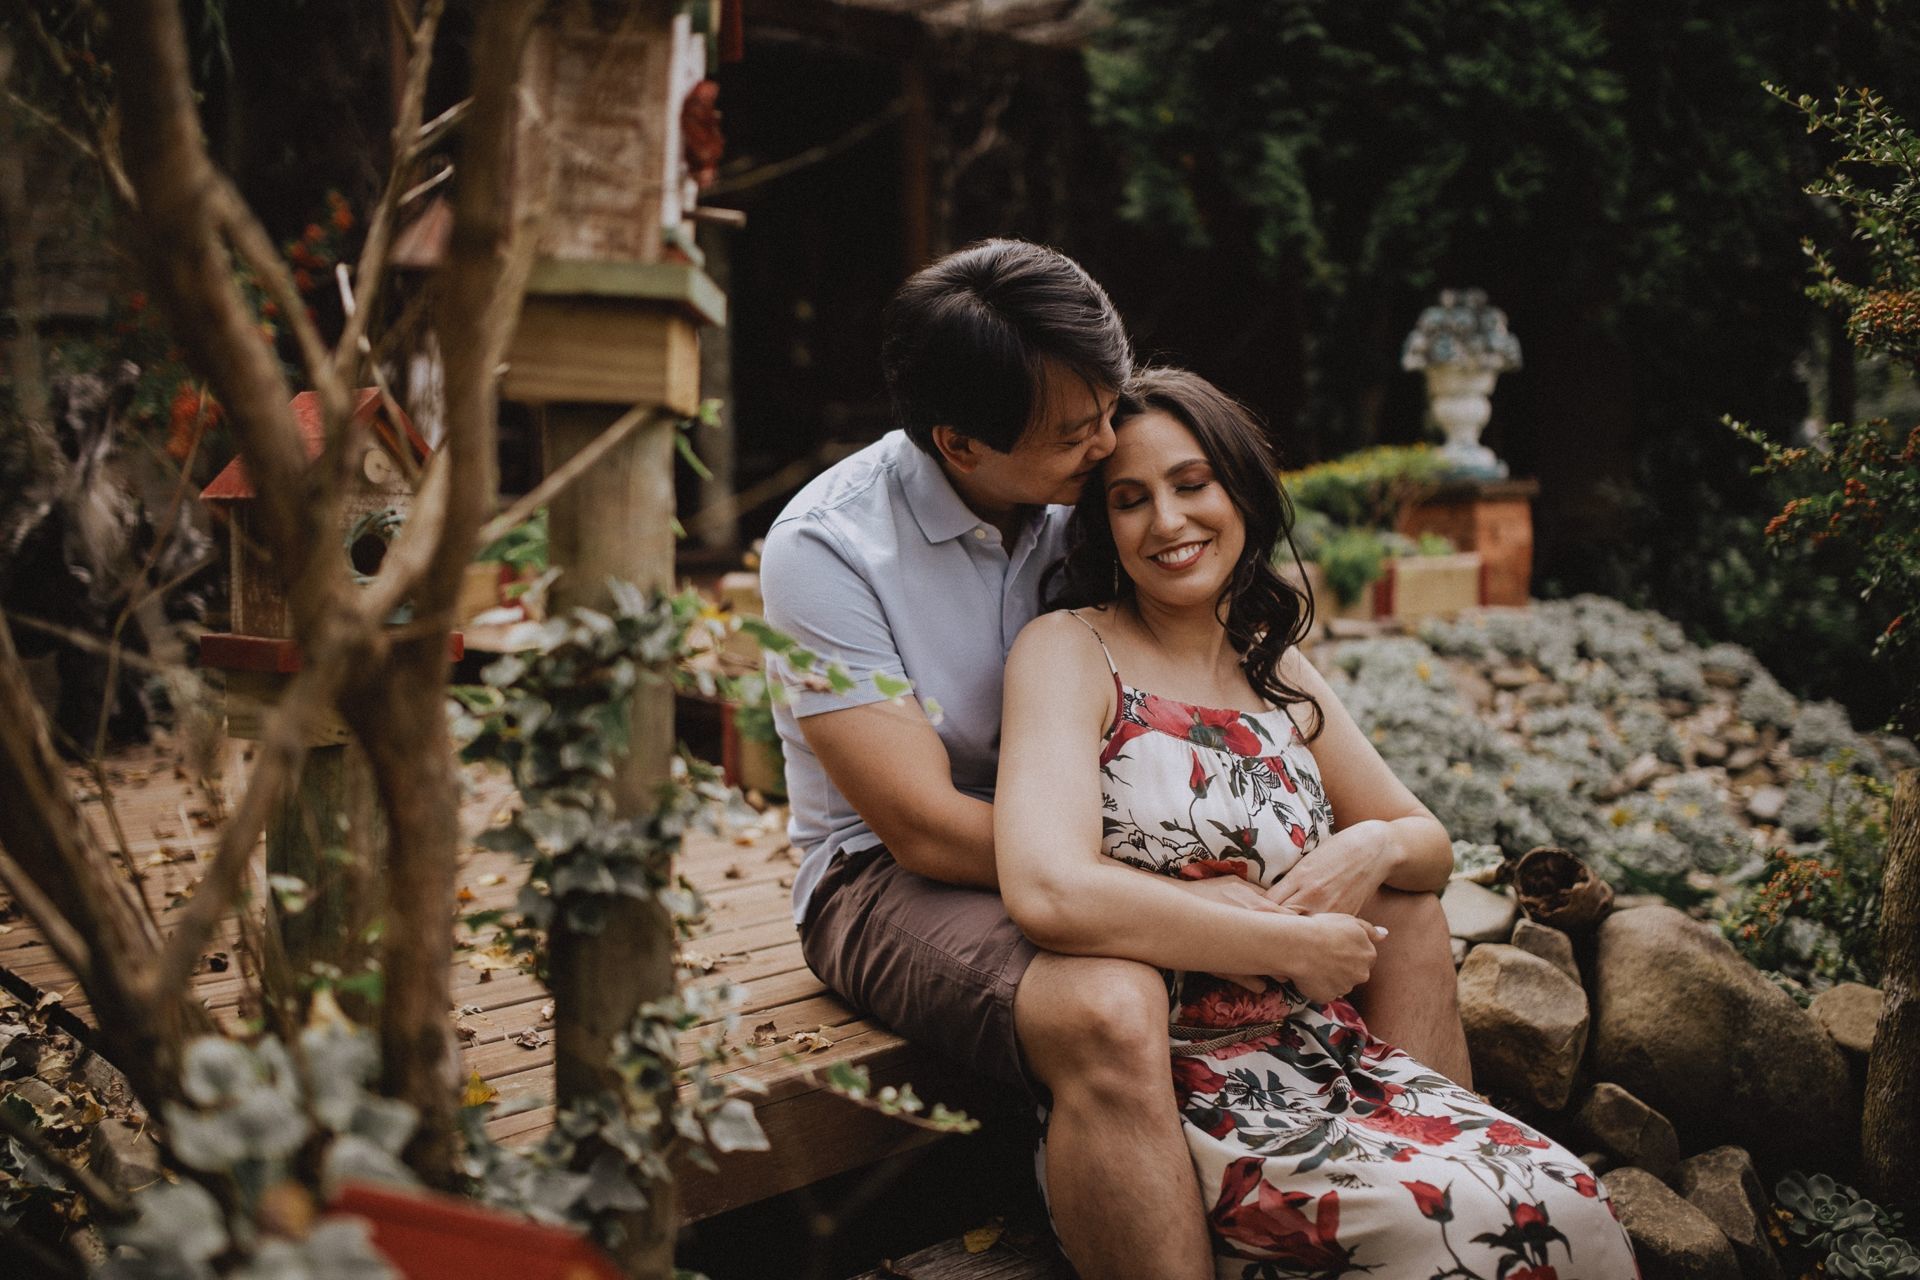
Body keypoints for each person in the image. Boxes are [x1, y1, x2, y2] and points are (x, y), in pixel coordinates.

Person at [760, 241, 1469, 1280]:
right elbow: (917, 822)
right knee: (1108, 999)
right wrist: (1210, 901)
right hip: (894, 875)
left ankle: (1449, 1206)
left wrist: (1319, 851)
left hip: (1103, 842)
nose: (1108, 444)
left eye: (1106, 402)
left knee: (1402, 907)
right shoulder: (825, 549)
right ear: (960, 443)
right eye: (1075, 434)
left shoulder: (1098, 493)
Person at [995, 367, 1639, 1279]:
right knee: (1459, 1241)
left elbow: (1429, 844)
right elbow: (1047, 888)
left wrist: (1365, 845)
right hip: (1176, 1079)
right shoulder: (1070, 650)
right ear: (1104, 529)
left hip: (1328, 1058)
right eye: (1130, 500)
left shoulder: (1277, 670)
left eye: (1191, 484)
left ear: (1240, 488)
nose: (1168, 522)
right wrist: (1288, 946)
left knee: (1567, 1197)